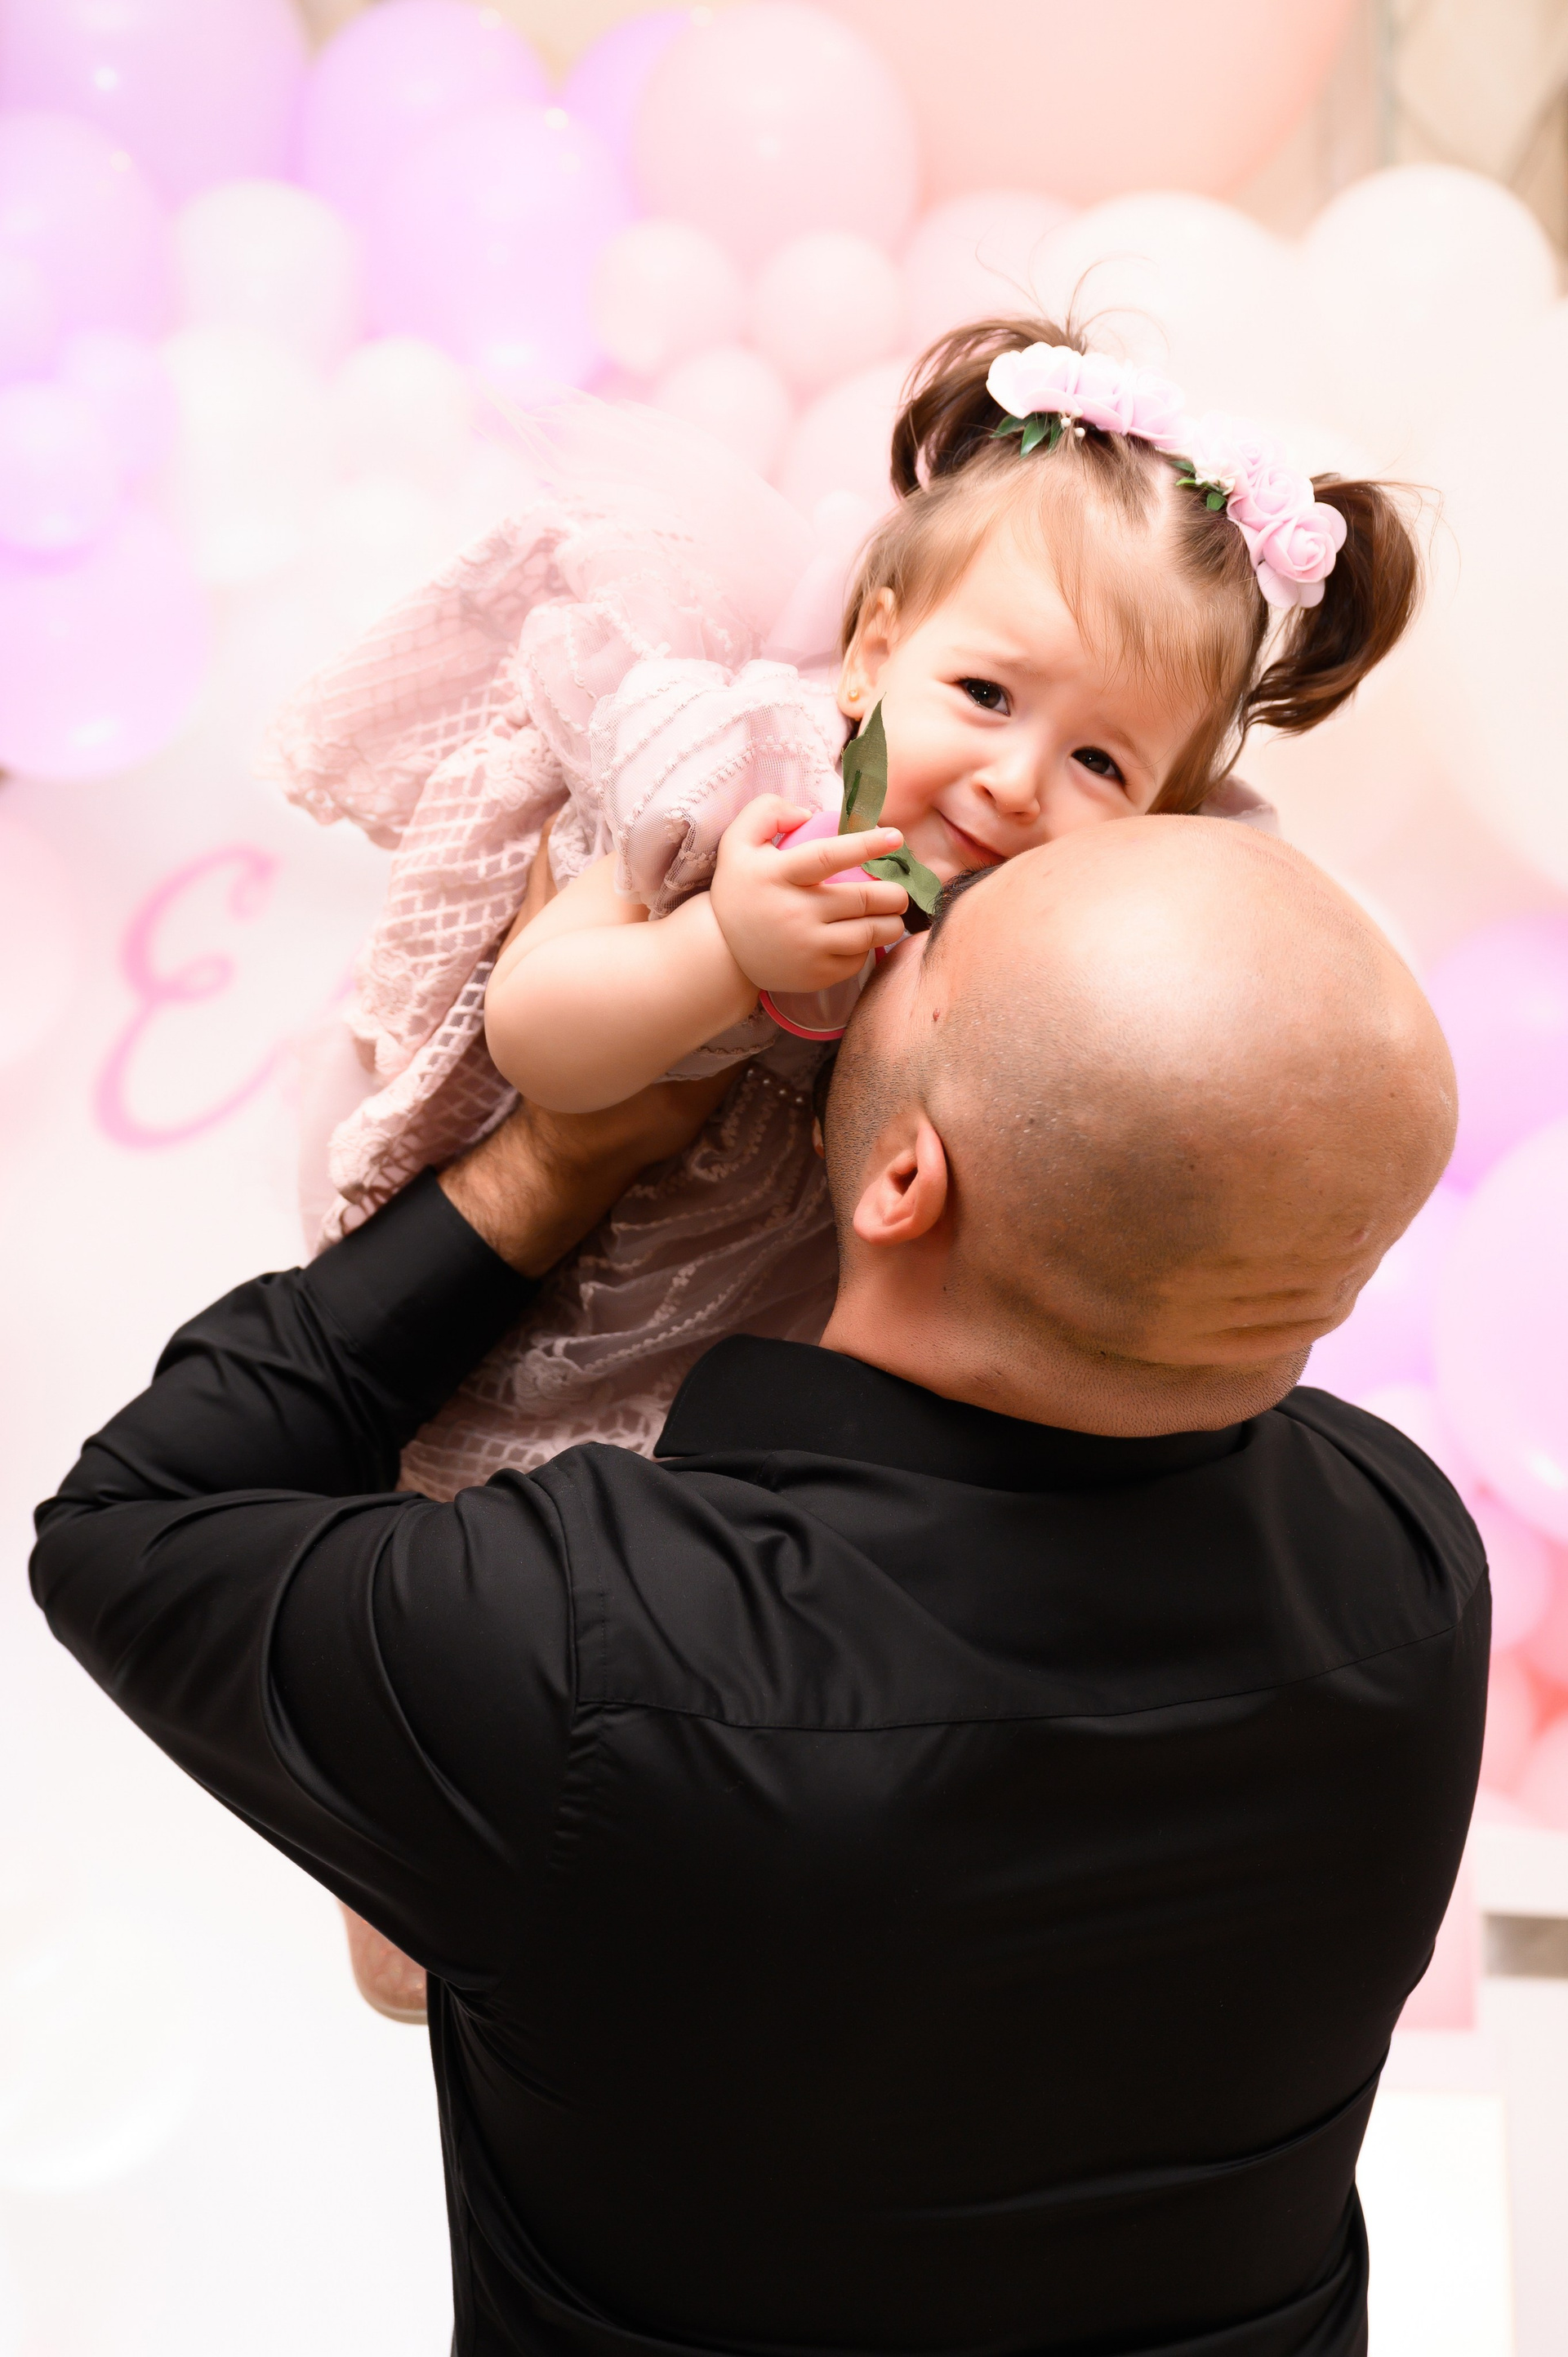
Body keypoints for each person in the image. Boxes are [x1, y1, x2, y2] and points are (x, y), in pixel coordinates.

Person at [33, 817, 1483, 2357]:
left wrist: (557, 1158)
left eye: (933, 934)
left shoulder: (589, 1652)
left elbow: (133, 1521)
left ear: (908, 1177)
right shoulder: (1414, 1567)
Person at [263, 315, 1420, 1507]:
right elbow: (535, 1033)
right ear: (873, 653)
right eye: (985, 693)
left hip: (747, 1324)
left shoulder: (1060, 961)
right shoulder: (757, 785)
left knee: (612, 1508)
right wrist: (722, 945)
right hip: (524, 1245)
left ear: (1162, 812)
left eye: (1100, 763)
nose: (1015, 781)